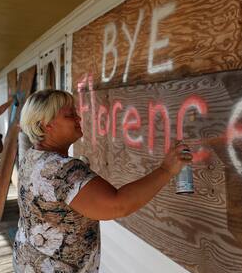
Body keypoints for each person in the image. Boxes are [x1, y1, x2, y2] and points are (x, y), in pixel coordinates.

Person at [13, 89, 192, 273]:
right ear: (45, 125)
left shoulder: (32, 157)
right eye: (70, 115)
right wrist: (166, 170)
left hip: (28, 261)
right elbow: (117, 204)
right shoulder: (61, 169)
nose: (78, 118)